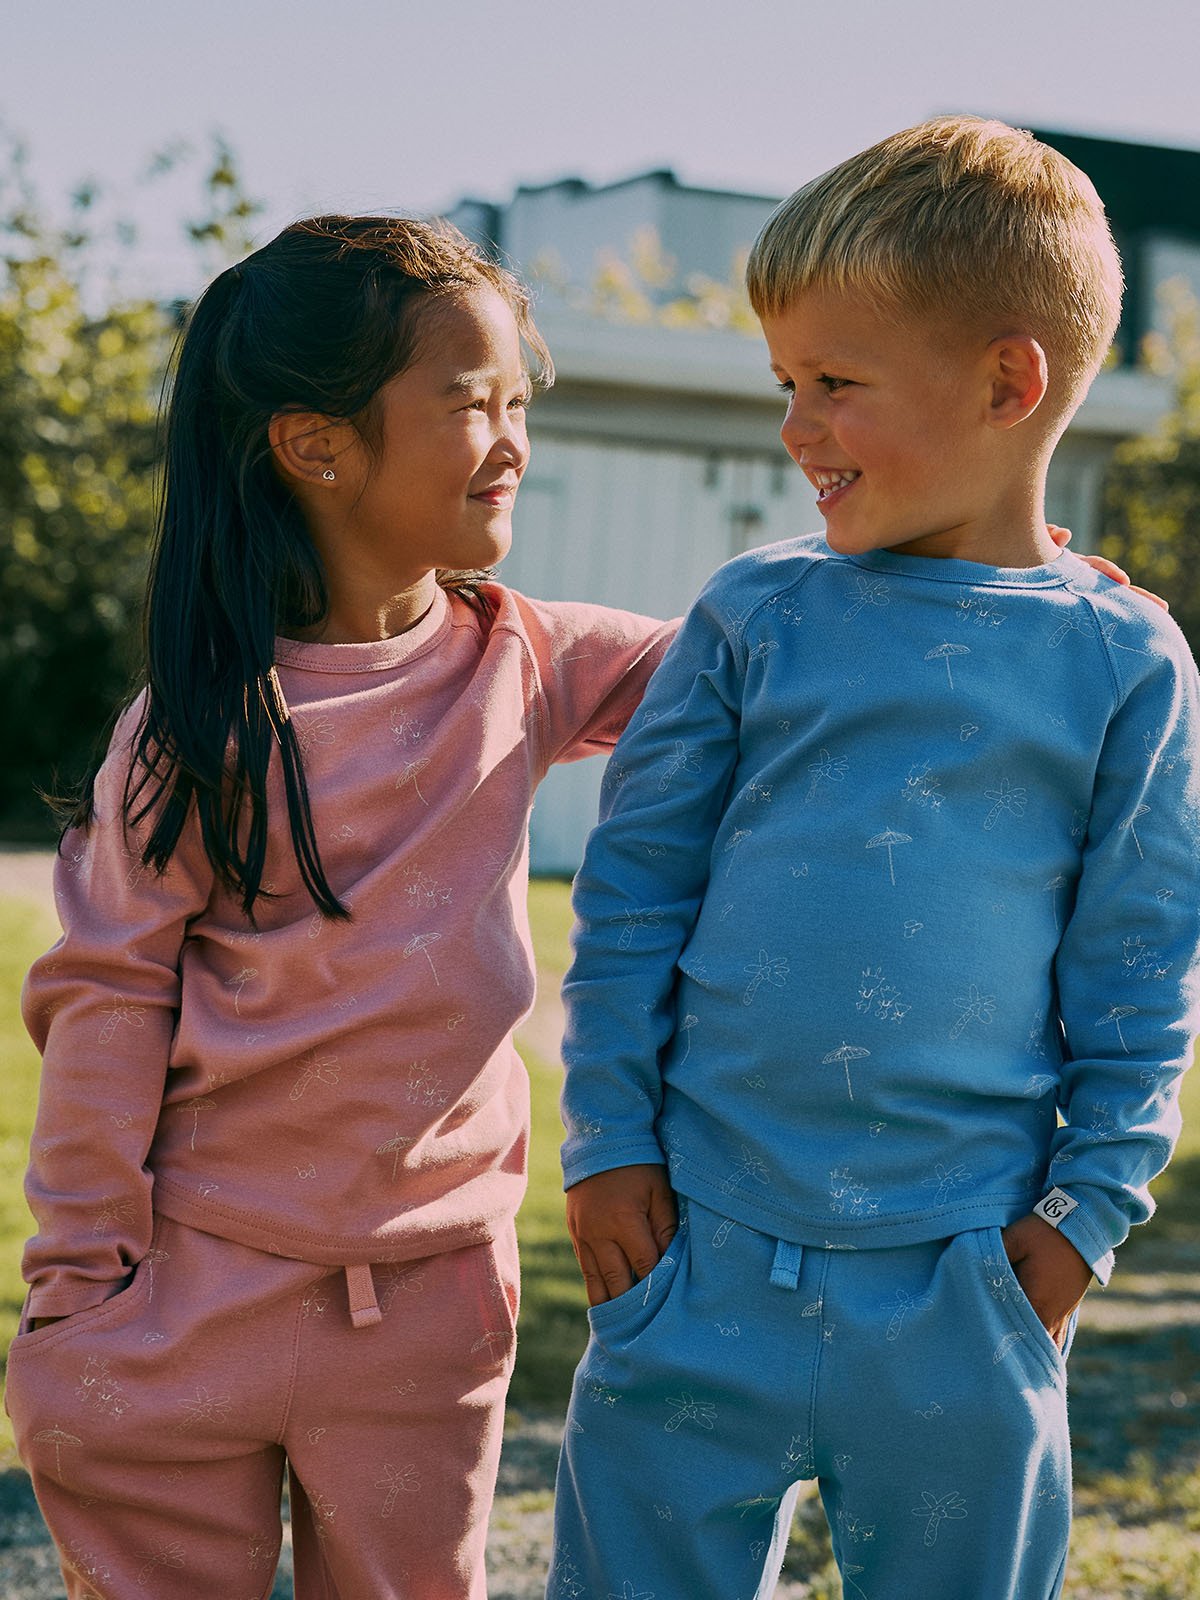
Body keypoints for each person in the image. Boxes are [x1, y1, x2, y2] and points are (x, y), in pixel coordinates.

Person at [548, 117, 1200, 1600]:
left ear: (1008, 380)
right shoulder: (750, 615)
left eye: (834, 385)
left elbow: (1143, 966)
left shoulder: (1127, 662)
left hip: (969, 1284)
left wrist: (1082, 1224)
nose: (796, 431)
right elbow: (635, 898)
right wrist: (609, 1149)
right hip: (695, 1250)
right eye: (789, 386)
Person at [4, 215, 678, 1600]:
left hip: (430, 1316)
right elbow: (109, 1004)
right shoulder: (189, 731)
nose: (510, 442)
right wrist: (74, 1294)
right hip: (190, 1298)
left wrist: (994, 572)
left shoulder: (528, 661)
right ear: (315, 446)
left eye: (516, 404)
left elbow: (757, 663)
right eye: (467, 406)